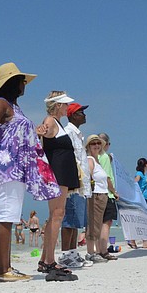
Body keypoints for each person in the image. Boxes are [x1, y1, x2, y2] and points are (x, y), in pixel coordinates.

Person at [0, 63, 61, 282]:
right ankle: (3, 270)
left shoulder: (15, 108)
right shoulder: (1, 102)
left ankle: (5, 268)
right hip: (8, 166)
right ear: (12, 83)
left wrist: (36, 132)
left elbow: (15, 132)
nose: (25, 84)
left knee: (7, 216)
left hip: (15, 167)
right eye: (21, 80)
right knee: (6, 216)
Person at [36, 91, 81, 280]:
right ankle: (49, 261)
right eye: (64, 104)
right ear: (57, 106)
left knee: (55, 214)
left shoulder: (57, 122)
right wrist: (40, 133)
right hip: (57, 173)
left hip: (61, 172)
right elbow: (41, 135)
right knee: (57, 214)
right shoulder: (50, 121)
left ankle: (45, 258)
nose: (67, 107)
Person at [61, 103, 90, 255]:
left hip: (80, 185)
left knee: (75, 221)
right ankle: (67, 254)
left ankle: (73, 253)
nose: (84, 115)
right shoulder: (69, 132)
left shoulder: (78, 134)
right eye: (80, 112)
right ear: (72, 115)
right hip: (73, 184)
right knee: (69, 220)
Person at [85, 135, 119, 262]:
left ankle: (98, 251)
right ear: (88, 146)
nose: (96, 146)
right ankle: (91, 253)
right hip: (96, 195)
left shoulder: (97, 159)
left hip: (102, 195)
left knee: (98, 224)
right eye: (93, 144)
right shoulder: (90, 159)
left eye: (98, 143)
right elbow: (88, 176)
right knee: (93, 225)